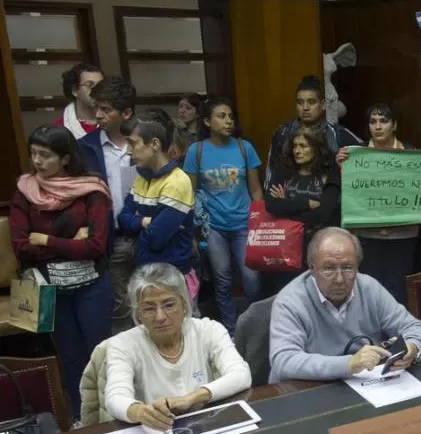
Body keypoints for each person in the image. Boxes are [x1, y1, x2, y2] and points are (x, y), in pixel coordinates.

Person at [9, 125, 113, 422]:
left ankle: (110, 415)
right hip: (50, 290)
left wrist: (45, 239)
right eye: (34, 154)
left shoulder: (91, 189)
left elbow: (96, 246)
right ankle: (82, 418)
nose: (37, 161)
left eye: (45, 155)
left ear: (65, 158)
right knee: (69, 358)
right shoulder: (25, 191)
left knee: (100, 354)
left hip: (92, 287)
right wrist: (70, 242)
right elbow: (21, 246)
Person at [334, 103, 421, 304]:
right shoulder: (354, 157)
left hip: (404, 237)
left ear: (394, 125)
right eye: (373, 122)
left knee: (399, 292)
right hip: (368, 238)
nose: (377, 127)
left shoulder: (412, 154)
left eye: (384, 121)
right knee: (368, 292)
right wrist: (342, 166)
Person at [269, 227, 421, 383]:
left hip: (364, 385)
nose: (339, 279)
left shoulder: (369, 288)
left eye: (347, 268)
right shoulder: (290, 302)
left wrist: (413, 348)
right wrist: (348, 364)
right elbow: (284, 361)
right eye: (329, 268)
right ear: (312, 268)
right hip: (308, 390)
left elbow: (414, 327)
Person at [104, 263, 251, 430]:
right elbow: (115, 397)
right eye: (149, 308)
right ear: (138, 313)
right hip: (155, 433)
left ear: (184, 304)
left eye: (169, 305)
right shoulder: (123, 344)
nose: (160, 317)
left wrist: (192, 398)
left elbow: (241, 375)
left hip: (204, 426)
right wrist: (140, 412)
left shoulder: (208, 330)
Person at [183, 96, 263, 336]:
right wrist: (194, 232)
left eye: (230, 116)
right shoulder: (196, 151)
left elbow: (256, 189)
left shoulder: (243, 147)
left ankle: (253, 328)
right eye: (221, 116)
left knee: (252, 281)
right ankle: (230, 331)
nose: (228, 121)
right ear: (206, 121)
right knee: (222, 280)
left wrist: (260, 222)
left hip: (243, 224)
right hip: (214, 227)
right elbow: (191, 192)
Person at [116, 109, 198, 306]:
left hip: (173, 275)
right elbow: (123, 218)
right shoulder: (141, 177)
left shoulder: (177, 181)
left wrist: (138, 224)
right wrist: (144, 221)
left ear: (154, 144)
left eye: (133, 143)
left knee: (183, 332)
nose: (128, 151)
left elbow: (156, 238)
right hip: (147, 272)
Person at [79, 75, 138, 332]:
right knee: (119, 307)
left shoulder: (145, 142)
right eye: (97, 108)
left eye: (106, 109)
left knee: (153, 299)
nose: (99, 115)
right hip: (111, 238)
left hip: (149, 235)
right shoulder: (85, 148)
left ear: (126, 113)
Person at [263, 125, 342, 297]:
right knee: (287, 295)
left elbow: (325, 213)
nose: (297, 151)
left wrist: (287, 204)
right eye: (295, 146)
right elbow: (272, 206)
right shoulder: (284, 171)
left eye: (303, 146)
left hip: (319, 247)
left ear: (316, 149)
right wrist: (307, 203)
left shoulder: (330, 173)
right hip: (286, 247)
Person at [263, 74, 362, 190]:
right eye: (300, 102)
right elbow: (271, 170)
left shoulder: (338, 134)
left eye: (311, 102)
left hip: (328, 200)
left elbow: (364, 157)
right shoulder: (283, 132)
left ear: (323, 104)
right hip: (290, 201)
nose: (305, 108)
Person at [54, 62, 103, 139]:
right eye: (89, 85)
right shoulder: (59, 128)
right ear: (75, 90)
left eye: (100, 85)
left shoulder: (116, 122)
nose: (97, 90)